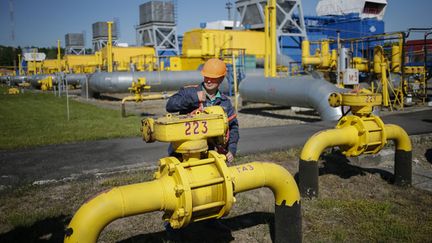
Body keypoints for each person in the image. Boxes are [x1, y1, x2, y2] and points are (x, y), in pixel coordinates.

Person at [166, 58, 239, 163]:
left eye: (213, 78)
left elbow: (233, 127)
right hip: (182, 153)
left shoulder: (225, 102)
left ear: (221, 79)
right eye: (206, 77)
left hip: (208, 155)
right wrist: (194, 98)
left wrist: (231, 150)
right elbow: (170, 106)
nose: (208, 80)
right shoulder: (190, 91)